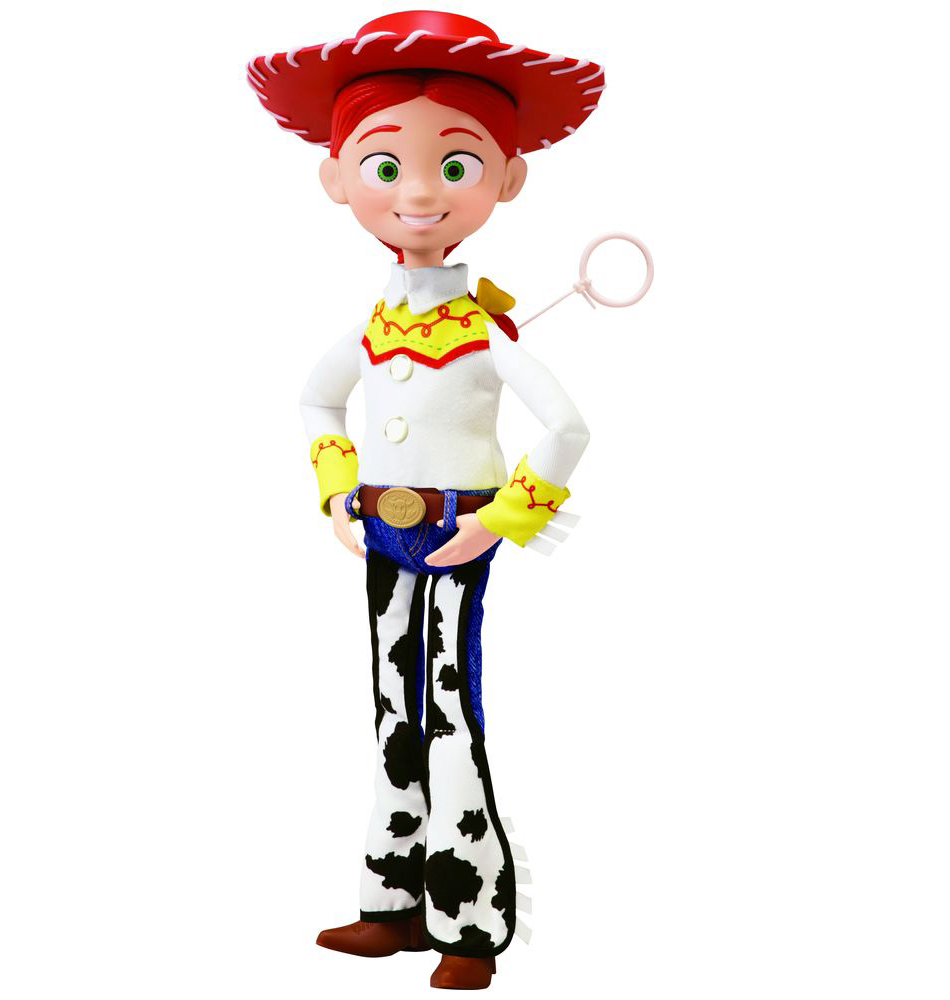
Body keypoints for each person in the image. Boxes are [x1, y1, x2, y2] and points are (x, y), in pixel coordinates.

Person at [248, 10, 605, 990]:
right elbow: (316, 397)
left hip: (456, 530)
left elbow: (568, 427)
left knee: (450, 709)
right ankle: (392, 902)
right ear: (337, 178)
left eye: (454, 166)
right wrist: (336, 490)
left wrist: (499, 519)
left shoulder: (485, 333)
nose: (416, 192)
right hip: (379, 531)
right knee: (389, 707)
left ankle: (470, 919)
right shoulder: (374, 324)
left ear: (505, 179)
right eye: (383, 164)